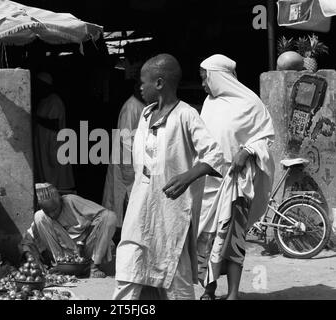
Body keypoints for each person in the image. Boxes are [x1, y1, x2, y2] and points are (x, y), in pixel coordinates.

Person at [112, 54, 225, 300]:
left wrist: (188, 177)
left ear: (160, 83)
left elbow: (215, 155)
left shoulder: (186, 115)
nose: (140, 87)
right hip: (141, 210)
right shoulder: (145, 115)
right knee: (129, 270)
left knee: (174, 276)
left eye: (144, 82)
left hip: (171, 215)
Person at [197, 54, 275, 300]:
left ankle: (232, 294)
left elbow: (265, 136)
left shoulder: (250, 103)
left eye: (205, 78)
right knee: (206, 239)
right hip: (209, 182)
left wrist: (247, 151)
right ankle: (209, 290)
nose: (203, 84)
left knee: (234, 240)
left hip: (237, 183)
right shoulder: (209, 103)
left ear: (218, 76)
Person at [21, 183, 117, 278]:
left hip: (87, 249)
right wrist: (31, 257)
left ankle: (94, 267)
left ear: (61, 201)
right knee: (38, 216)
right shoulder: (43, 217)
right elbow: (27, 240)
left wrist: (84, 238)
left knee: (109, 216)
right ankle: (61, 267)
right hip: (66, 256)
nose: (52, 214)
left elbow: (103, 215)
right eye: (48, 212)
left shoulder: (71, 201)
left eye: (54, 210)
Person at [102, 80, 146, 228]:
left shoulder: (143, 106)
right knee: (122, 201)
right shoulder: (132, 107)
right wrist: (128, 169)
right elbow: (126, 140)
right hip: (126, 164)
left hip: (136, 163)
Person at [33, 72, 75, 193]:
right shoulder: (43, 101)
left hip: (54, 144)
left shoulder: (55, 100)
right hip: (45, 144)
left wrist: (37, 119)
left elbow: (55, 124)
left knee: (56, 175)